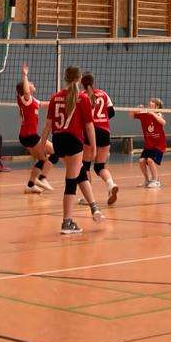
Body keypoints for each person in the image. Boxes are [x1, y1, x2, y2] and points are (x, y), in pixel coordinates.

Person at [47, 65, 101, 235]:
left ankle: (94, 207)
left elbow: (48, 124)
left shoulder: (55, 97)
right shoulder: (82, 98)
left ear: (65, 77)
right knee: (71, 181)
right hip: (73, 141)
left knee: (79, 172)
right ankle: (67, 222)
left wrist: (42, 143)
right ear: (79, 79)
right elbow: (89, 126)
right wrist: (94, 147)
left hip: (57, 140)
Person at [82, 72, 119, 206]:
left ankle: (88, 198)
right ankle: (111, 184)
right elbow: (112, 112)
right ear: (94, 82)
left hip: (90, 131)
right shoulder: (103, 94)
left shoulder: (82, 96)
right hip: (104, 131)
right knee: (99, 166)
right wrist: (101, 118)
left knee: (85, 165)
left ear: (82, 84)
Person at [15, 64, 52, 195]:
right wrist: (24, 75)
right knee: (55, 152)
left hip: (26, 136)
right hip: (29, 136)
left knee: (42, 159)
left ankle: (30, 185)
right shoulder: (26, 99)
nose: (32, 83)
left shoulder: (32, 100)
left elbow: (45, 104)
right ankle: (42, 178)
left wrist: (61, 102)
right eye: (30, 83)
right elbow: (26, 92)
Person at [131, 99, 167, 189]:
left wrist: (152, 113)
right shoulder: (144, 114)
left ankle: (156, 180)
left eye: (153, 104)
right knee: (141, 161)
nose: (150, 105)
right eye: (150, 103)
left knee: (150, 160)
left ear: (157, 107)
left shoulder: (158, 114)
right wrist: (137, 108)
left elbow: (163, 122)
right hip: (149, 145)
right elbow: (131, 114)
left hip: (159, 145)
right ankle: (147, 180)